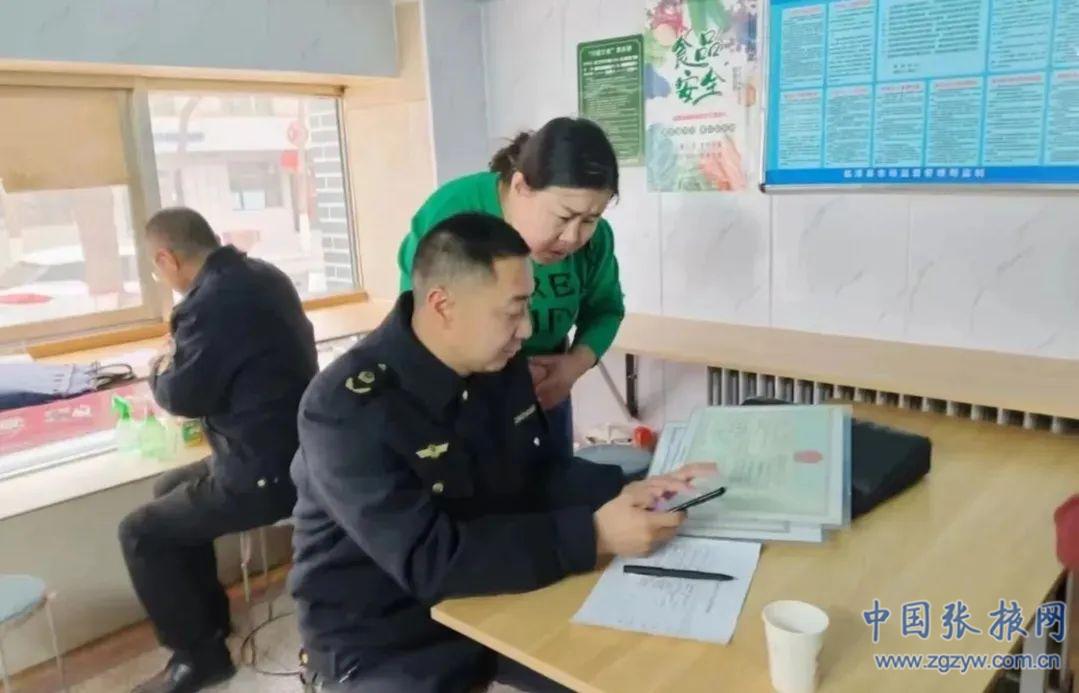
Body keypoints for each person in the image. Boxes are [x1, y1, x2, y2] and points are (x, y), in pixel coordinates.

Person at [292, 213, 710, 692]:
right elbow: (431, 561)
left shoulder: (497, 362)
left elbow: (538, 472)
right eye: (512, 312)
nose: (526, 328)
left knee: (637, 670)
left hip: (495, 585)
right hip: (385, 635)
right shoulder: (347, 408)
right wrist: (594, 535)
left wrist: (632, 488)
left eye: (527, 306)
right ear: (443, 305)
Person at [118, 207, 318, 693]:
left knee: (140, 532)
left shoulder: (209, 304)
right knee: (167, 489)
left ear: (166, 259)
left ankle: (198, 659)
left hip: (266, 472)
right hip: (301, 451)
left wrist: (158, 367)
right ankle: (207, 629)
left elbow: (182, 396)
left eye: (156, 270)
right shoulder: (264, 276)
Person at [398, 117, 625, 457]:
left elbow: (605, 309)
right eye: (563, 217)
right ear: (521, 186)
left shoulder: (595, 241)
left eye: (590, 220)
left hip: (545, 391)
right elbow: (418, 325)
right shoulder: (453, 215)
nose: (572, 237)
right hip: (462, 398)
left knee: (554, 482)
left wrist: (573, 366)